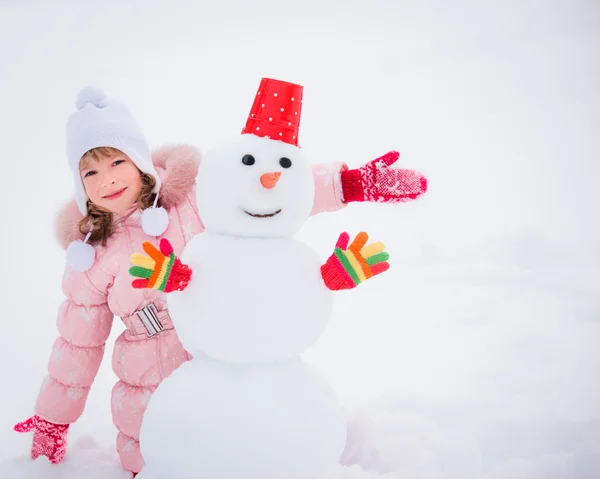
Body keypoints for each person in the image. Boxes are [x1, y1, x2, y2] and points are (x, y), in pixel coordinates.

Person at [14, 86, 427, 476]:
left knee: (246, 447)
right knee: (160, 460)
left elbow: (267, 189)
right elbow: (76, 346)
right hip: (147, 386)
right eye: (90, 172)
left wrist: (350, 184)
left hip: (227, 351)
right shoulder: (90, 256)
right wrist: (53, 419)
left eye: (117, 162)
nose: (107, 180)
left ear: (139, 160)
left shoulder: (191, 200)